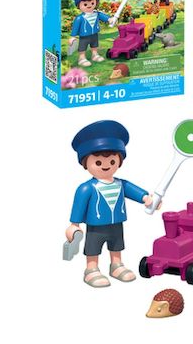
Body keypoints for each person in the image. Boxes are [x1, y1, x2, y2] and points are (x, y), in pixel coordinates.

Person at [65, 120, 159, 288]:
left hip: (116, 224)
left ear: (119, 161)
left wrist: (146, 198)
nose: (106, 166)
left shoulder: (121, 184)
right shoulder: (86, 188)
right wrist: (74, 225)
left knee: (117, 245)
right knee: (93, 247)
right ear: (85, 163)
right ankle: (91, 269)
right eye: (98, 162)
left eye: (112, 161)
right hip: (96, 227)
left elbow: (133, 191)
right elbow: (79, 206)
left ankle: (116, 265)